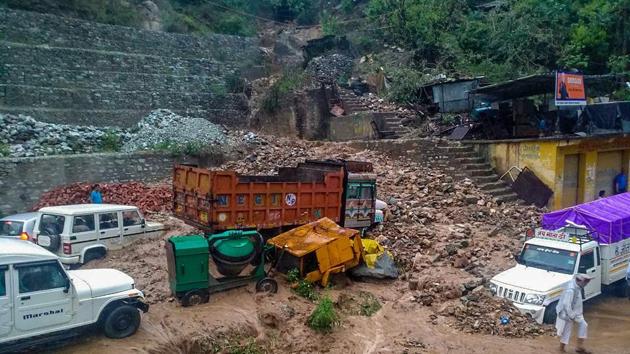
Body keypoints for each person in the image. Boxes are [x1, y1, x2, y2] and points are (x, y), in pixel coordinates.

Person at [556, 274, 592, 353]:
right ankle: (561, 348)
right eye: (585, 283)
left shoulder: (577, 285)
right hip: (566, 313)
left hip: (576, 312)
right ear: (580, 282)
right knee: (567, 329)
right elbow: (566, 304)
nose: (586, 285)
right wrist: (571, 315)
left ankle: (579, 347)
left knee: (584, 325)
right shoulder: (570, 290)